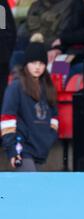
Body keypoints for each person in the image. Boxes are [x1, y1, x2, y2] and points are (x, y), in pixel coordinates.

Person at [0, 34, 58, 171]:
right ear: (26, 64)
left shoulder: (48, 87)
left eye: (41, 63)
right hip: (22, 149)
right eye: (33, 63)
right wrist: (12, 149)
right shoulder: (16, 86)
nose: (37, 67)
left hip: (41, 148)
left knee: (34, 189)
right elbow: (7, 118)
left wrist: (50, 136)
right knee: (31, 185)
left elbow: (54, 116)